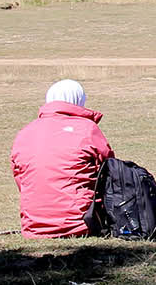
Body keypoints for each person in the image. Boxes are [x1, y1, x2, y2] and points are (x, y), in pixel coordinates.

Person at [10, 79, 112, 239]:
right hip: (81, 225)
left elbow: (20, 179)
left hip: (33, 227)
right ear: (80, 100)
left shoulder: (25, 132)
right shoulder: (88, 129)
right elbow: (109, 171)